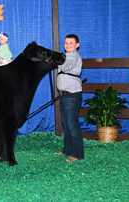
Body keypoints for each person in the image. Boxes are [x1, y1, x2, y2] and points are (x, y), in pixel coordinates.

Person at [54, 34, 84, 162]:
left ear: (77, 45)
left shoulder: (74, 56)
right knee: (66, 124)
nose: (68, 45)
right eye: (66, 43)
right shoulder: (66, 56)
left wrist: (56, 60)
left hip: (71, 95)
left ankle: (77, 154)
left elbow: (65, 66)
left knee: (72, 125)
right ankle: (67, 150)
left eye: (71, 43)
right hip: (64, 95)